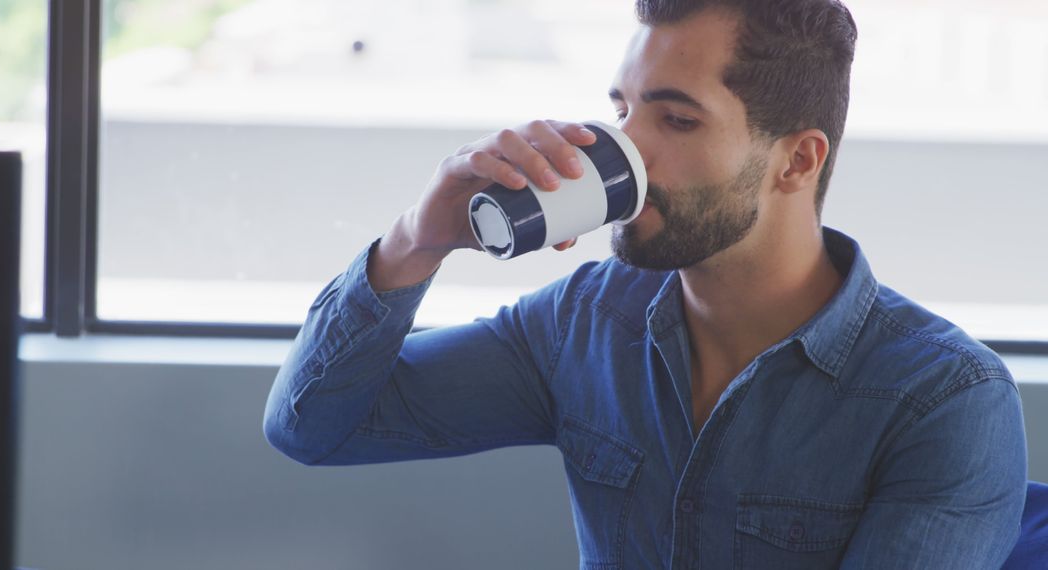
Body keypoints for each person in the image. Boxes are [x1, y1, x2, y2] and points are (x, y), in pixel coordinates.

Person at [263, 0, 1028, 567]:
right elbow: (313, 428)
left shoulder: (944, 399)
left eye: (677, 121)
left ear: (797, 161)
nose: (628, 153)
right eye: (623, 111)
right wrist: (415, 240)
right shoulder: (585, 322)